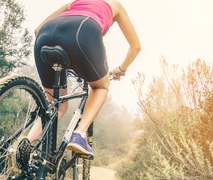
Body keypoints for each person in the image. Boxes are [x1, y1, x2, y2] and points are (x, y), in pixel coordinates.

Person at [28, 0, 141, 156]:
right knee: (100, 86)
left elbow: (37, 30)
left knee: (55, 105)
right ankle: (80, 134)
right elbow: (136, 47)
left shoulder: (76, 1)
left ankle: (25, 147)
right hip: (83, 29)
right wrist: (120, 69)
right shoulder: (115, 5)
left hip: (45, 33)